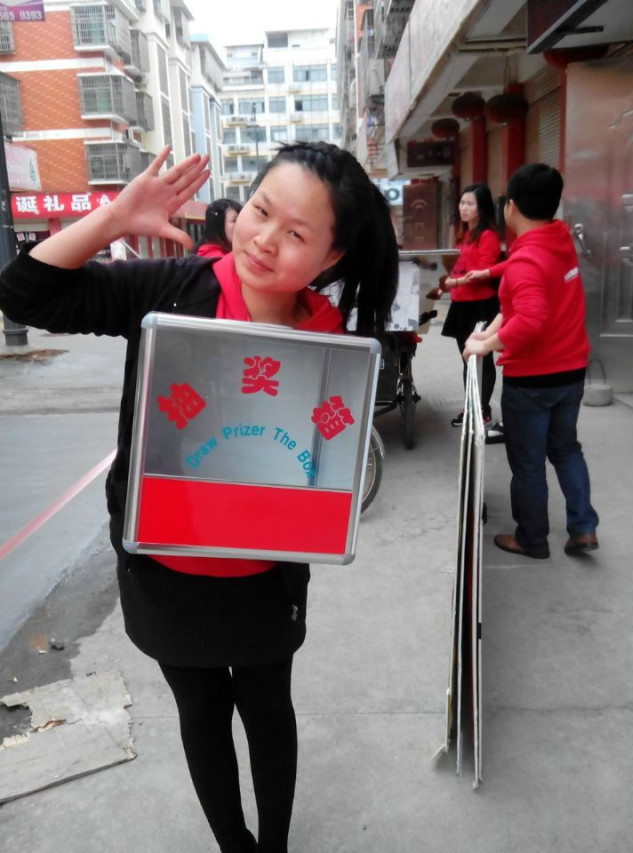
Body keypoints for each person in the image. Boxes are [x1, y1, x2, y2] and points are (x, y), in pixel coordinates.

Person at [0, 142, 398, 853]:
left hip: (265, 580)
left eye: (296, 233)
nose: (265, 240)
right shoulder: (172, 291)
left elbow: (323, 462)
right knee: (202, 714)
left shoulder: (327, 339)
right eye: (260, 211)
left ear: (331, 257)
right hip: (167, 574)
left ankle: (273, 846)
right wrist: (113, 218)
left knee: (268, 709)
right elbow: (23, 293)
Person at [463, 162, 599, 560]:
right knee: (567, 449)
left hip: (534, 380)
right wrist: (489, 331)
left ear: (511, 206)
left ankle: (531, 538)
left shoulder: (526, 260)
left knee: (528, 464)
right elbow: (520, 302)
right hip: (571, 372)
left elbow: (530, 317)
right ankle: (583, 528)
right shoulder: (559, 241)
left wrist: (486, 346)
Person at [439, 183, 502, 429]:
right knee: (467, 360)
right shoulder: (462, 235)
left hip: (481, 305)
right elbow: (456, 268)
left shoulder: (488, 236)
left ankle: (482, 410)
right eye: (462, 203)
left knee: (481, 358)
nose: (463, 208)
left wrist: (452, 282)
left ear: (481, 207)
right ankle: (471, 406)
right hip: (460, 305)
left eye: (469, 203)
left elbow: (483, 272)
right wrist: (443, 284)